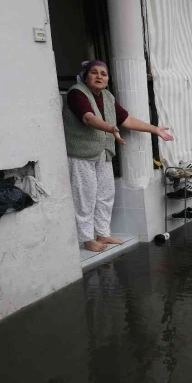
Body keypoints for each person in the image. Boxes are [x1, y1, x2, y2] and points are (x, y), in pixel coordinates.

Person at [62, 60, 173, 252]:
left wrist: (154, 129)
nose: (99, 77)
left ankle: (103, 233)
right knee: (85, 197)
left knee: (105, 194)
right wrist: (110, 128)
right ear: (86, 76)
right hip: (81, 155)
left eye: (103, 74)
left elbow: (127, 120)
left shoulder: (107, 96)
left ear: (107, 79)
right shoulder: (76, 93)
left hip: (103, 153)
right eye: (94, 73)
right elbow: (88, 118)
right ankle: (87, 239)